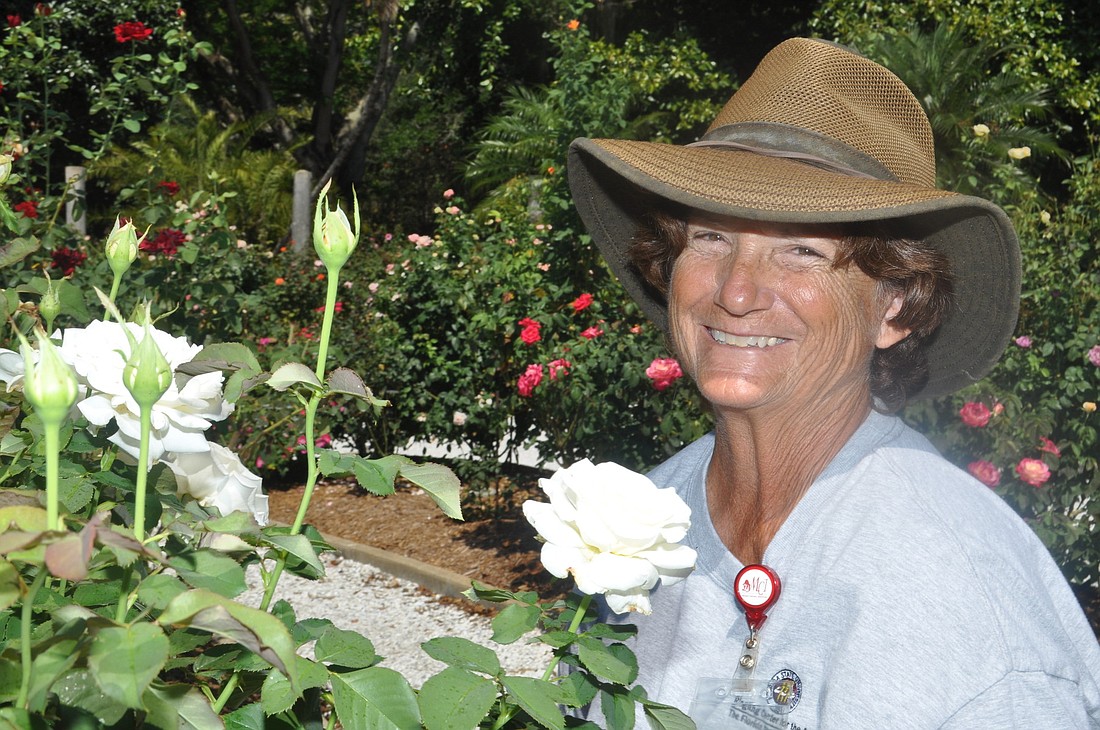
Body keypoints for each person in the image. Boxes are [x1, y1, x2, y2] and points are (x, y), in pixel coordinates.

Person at [566, 37, 1100, 728]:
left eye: (802, 250)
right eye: (709, 238)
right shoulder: (637, 526)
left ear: (895, 304)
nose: (736, 291)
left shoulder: (964, 604)